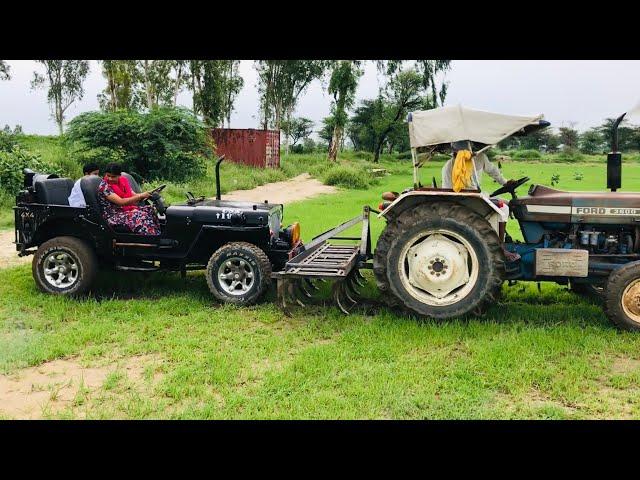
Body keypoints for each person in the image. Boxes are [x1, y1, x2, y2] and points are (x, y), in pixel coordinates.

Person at [97, 163, 161, 236]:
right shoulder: (104, 187)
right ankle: (149, 239)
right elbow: (121, 202)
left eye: (113, 176)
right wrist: (140, 196)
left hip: (124, 211)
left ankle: (157, 234)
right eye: (108, 176)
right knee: (140, 215)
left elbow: (134, 195)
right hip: (113, 215)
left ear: (119, 175)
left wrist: (147, 194)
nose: (110, 179)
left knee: (151, 209)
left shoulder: (123, 181)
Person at [441, 141, 514, 191]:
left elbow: (492, 170)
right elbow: (448, 189)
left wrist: (504, 182)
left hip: (475, 195)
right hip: (468, 198)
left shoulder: (480, 157)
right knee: (505, 207)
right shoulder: (448, 166)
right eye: (461, 154)